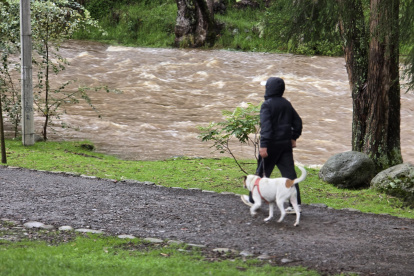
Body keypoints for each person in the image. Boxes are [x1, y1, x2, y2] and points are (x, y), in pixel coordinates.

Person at [241, 77, 303, 214]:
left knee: (262, 173)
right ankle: (295, 205)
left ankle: (253, 200)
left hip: (270, 146)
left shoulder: (267, 105)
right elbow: (298, 122)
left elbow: (266, 127)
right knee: (290, 176)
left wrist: (263, 146)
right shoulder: (287, 103)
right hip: (285, 145)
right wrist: (293, 137)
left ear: (269, 89)